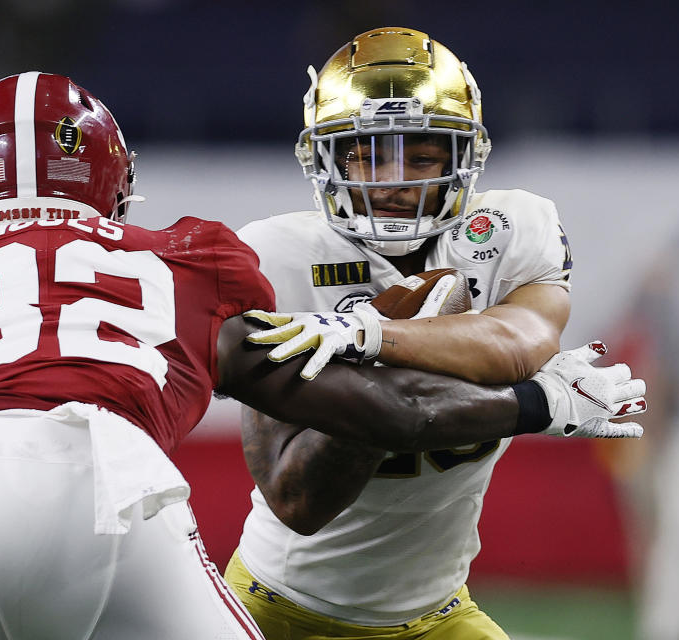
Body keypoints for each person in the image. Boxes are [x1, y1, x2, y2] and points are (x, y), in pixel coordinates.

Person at [0, 72, 643, 640]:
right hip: (127, 494)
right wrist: (539, 404)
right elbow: (383, 414)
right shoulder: (179, 261)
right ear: (117, 183)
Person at [223, 27, 639, 640]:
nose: (393, 181)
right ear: (329, 159)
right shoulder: (273, 255)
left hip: (437, 612)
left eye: (420, 156)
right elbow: (296, 500)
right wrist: (414, 364)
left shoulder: (507, 228)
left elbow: (521, 343)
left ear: (462, 158)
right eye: (369, 154)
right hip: (279, 606)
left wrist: (370, 335)